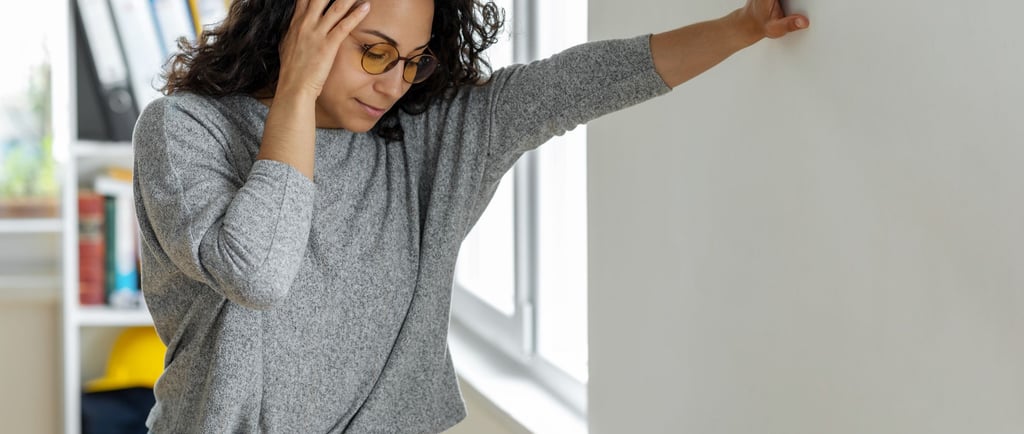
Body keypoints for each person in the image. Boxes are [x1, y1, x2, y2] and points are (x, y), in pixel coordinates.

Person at [131, 0, 809, 432]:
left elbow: (577, 82)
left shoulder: (426, 138)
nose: (393, 83)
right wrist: (297, 90)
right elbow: (256, 272)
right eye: (374, 51)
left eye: (412, 61)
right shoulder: (183, 131)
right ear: (302, 25)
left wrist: (741, 28)